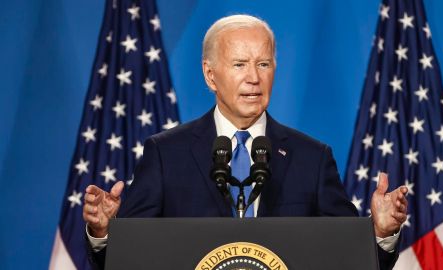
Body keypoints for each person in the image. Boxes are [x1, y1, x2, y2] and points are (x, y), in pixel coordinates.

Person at [83, 14, 408, 269]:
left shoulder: (311, 157)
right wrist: (105, 233)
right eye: (239, 64)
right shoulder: (166, 154)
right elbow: (128, 260)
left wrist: (380, 233)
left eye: (263, 64)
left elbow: (349, 258)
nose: (253, 77)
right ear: (210, 75)